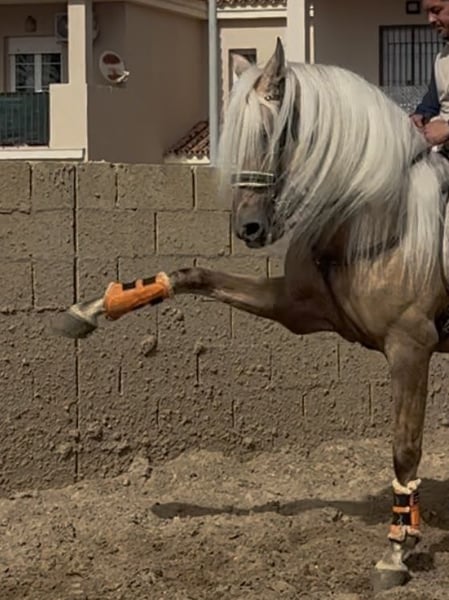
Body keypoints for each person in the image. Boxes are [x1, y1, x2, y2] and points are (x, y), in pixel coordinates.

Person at [411, 0, 449, 148]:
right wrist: (420, 115)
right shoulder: (441, 58)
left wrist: (447, 129)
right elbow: (432, 103)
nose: (430, 19)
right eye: (427, 13)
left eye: (436, 10)